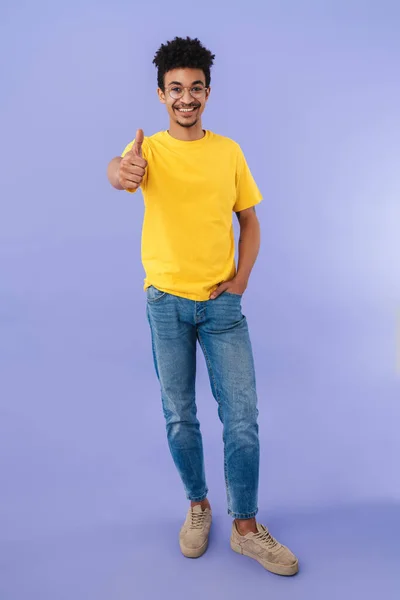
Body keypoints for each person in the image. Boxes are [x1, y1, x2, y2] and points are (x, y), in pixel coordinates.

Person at [107, 36, 298, 576]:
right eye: (175, 89)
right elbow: (118, 171)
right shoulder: (147, 149)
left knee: (241, 418)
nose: (185, 97)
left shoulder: (228, 151)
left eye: (195, 88)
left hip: (221, 307)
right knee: (180, 416)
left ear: (207, 94)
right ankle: (198, 507)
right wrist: (122, 171)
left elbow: (251, 220)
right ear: (161, 95)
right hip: (165, 303)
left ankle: (244, 528)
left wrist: (239, 281)